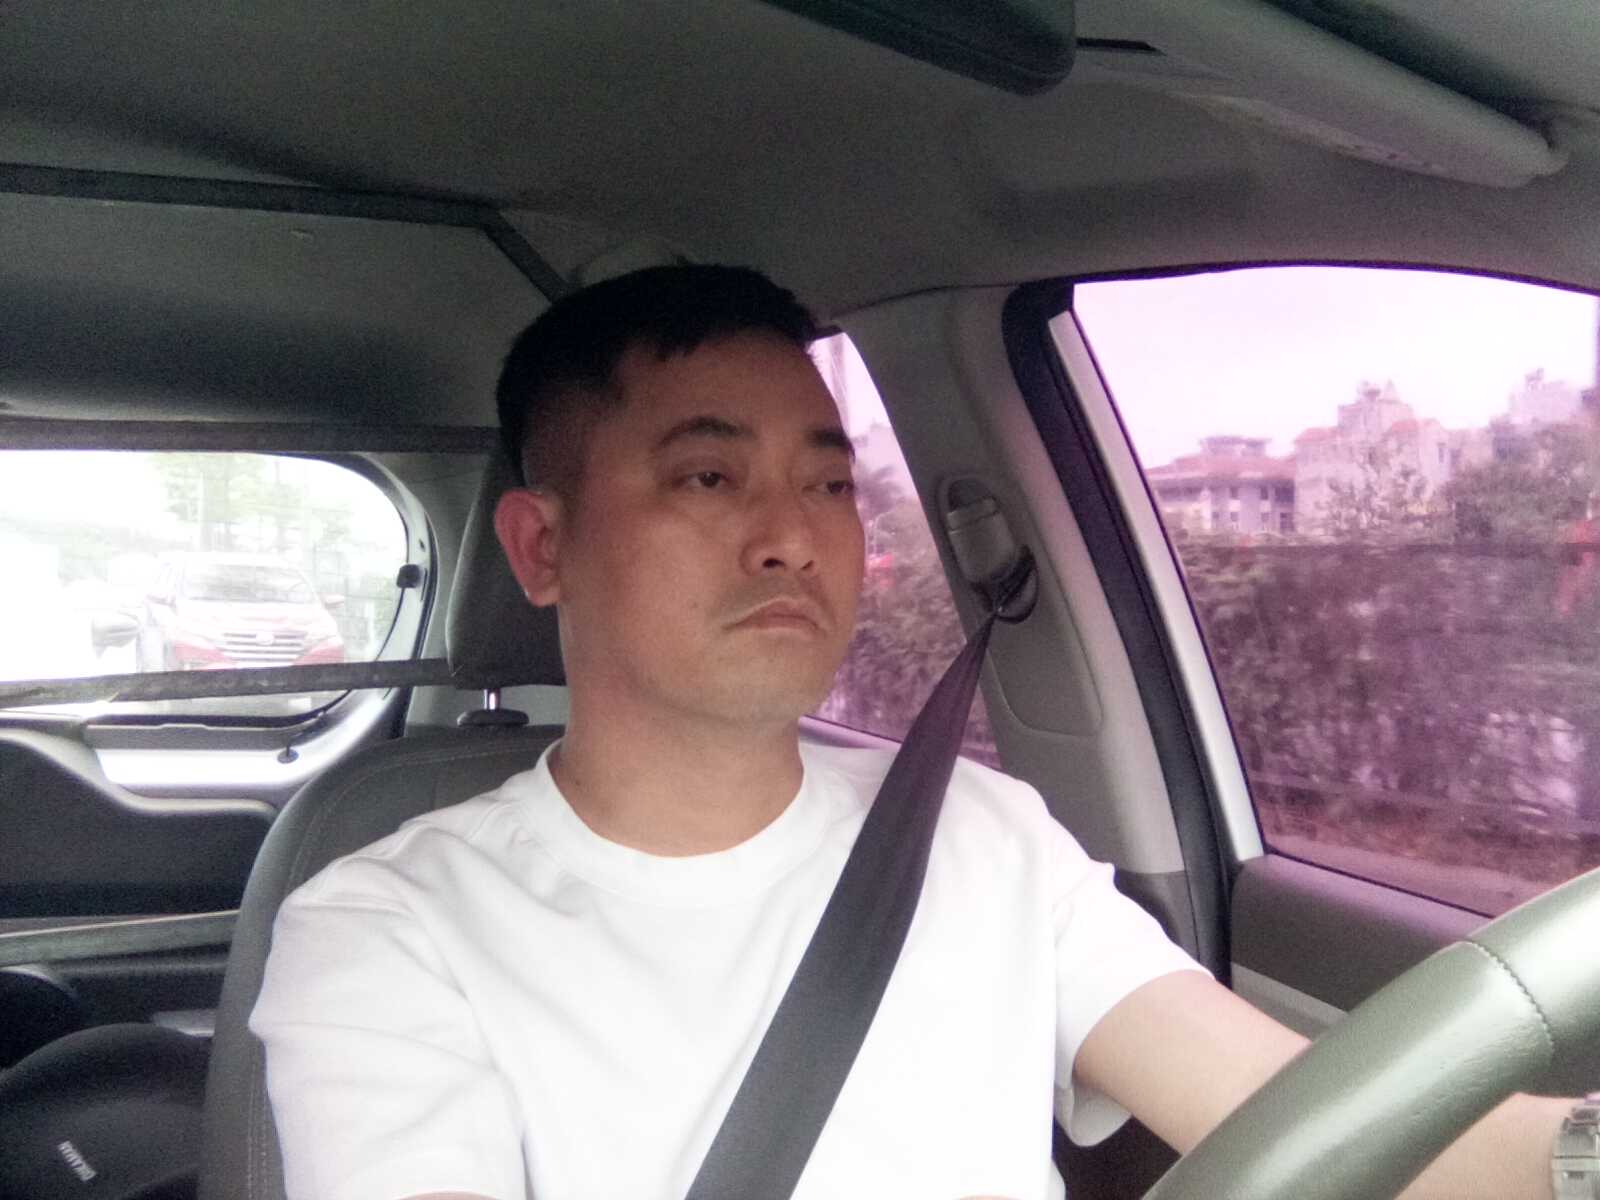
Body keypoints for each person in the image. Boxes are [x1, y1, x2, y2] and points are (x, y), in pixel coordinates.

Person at [251, 264, 1577, 1200]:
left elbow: (1308, 1116)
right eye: (709, 475)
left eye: (829, 481)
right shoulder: (388, 928)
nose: (791, 535)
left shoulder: (985, 839)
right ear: (544, 547)